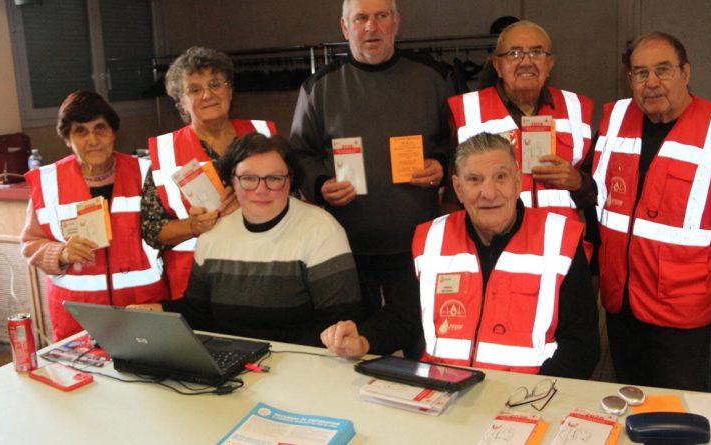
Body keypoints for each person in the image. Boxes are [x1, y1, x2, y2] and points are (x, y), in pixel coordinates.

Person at [592, 32, 711, 391]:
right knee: (627, 397)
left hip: (681, 311)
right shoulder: (614, 119)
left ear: (685, 73)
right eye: (640, 73)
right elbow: (599, 199)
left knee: (676, 408)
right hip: (621, 301)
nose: (651, 83)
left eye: (663, 70)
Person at [293, 0, 453, 357]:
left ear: (396, 22)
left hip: (419, 246)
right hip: (346, 250)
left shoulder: (434, 78)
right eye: (361, 18)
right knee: (352, 346)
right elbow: (300, 154)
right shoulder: (320, 87)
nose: (371, 27)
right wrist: (319, 185)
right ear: (345, 27)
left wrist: (442, 164)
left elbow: (460, 142)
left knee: (422, 341)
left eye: (381, 16)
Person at [130, 134, 362, 347]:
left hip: (301, 364)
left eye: (274, 178)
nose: (261, 190)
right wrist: (153, 311)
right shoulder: (214, 232)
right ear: (232, 181)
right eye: (249, 179)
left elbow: (338, 324)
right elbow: (199, 314)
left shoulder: (321, 230)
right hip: (233, 363)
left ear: (290, 180)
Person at [413, 132, 598, 376]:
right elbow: (405, 318)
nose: (489, 192)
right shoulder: (430, 238)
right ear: (458, 189)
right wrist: (365, 339)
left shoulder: (560, 238)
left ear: (518, 181)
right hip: (444, 397)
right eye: (475, 180)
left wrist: (530, 399)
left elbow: (582, 346)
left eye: (500, 177)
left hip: (529, 400)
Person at [21, 91, 168, 341]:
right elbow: (30, 243)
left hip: (141, 307)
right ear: (67, 138)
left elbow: (173, 233)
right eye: (81, 131)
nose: (93, 140)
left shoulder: (147, 173)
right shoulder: (48, 182)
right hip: (79, 317)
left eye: (100, 128)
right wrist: (61, 253)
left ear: (113, 132)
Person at [142, 46, 278, 299]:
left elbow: (295, 198)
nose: (208, 95)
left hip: (267, 270)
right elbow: (152, 230)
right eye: (194, 89)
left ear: (230, 90)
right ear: (180, 101)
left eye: (216, 84)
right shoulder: (165, 152)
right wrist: (193, 226)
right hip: (197, 283)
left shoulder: (264, 136)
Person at [448, 21, 595, 225]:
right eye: (514, 54)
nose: (526, 62)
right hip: (495, 244)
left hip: (560, 244)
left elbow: (599, 192)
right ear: (497, 65)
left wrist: (578, 182)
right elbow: (452, 196)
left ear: (550, 63)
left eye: (537, 53)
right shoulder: (464, 111)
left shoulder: (577, 109)